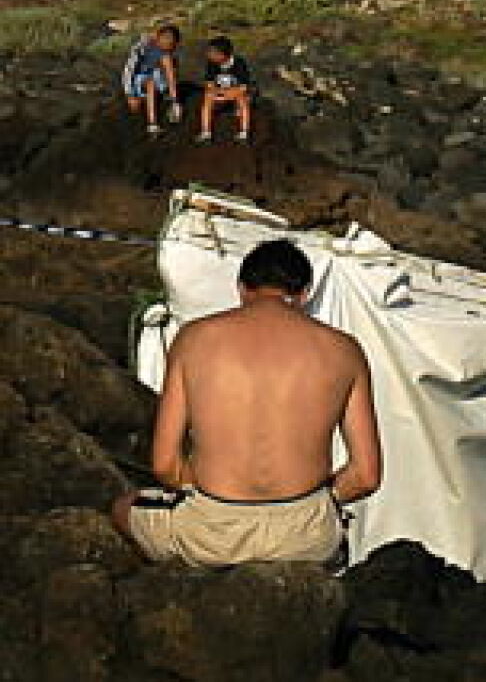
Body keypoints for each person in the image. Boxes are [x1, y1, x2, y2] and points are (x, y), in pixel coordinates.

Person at [110, 240, 381, 567]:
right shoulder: (344, 350)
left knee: (123, 508)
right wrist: (323, 501)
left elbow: (166, 465)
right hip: (305, 537)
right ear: (305, 293)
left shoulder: (193, 338)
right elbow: (366, 475)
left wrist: (209, 494)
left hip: (212, 533)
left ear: (241, 288)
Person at [122, 24, 184, 135]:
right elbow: (129, 70)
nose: (169, 44)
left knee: (167, 62)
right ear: (159, 37)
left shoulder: (168, 54)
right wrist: (130, 95)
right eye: (166, 39)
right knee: (149, 84)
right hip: (140, 78)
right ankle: (152, 123)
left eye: (172, 43)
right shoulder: (143, 46)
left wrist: (175, 101)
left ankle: (172, 103)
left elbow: (171, 74)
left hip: (158, 78)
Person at [196, 35, 256, 144]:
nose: (209, 55)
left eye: (213, 52)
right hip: (220, 93)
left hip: (236, 92)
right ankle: (206, 132)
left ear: (223, 54)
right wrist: (219, 94)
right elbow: (209, 84)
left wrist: (230, 94)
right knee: (207, 97)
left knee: (242, 99)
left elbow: (243, 86)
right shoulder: (211, 64)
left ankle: (244, 132)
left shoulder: (239, 63)